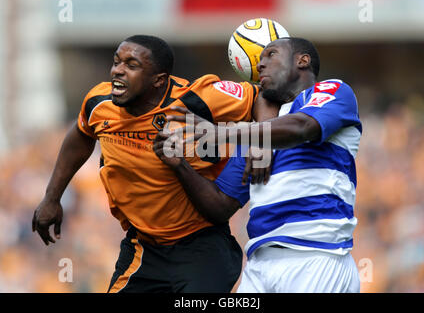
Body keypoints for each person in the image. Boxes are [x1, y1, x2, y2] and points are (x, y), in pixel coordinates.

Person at [32, 35, 279, 293]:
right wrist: (52, 197)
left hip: (202, 247)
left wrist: (261, 142)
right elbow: (81, 134)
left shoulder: (201, 98)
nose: (118, 70)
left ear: (159, 80)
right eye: (117, 62)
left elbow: (263, 98)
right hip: (143, 248)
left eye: (131, 65)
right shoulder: (98, 102)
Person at [153, 37, 362, 292]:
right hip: (259, 263)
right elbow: (221, 205)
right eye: (259, 59)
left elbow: (303, 127)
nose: (260, 65)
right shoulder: (256, 135)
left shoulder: (333, 90)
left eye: (271, 55)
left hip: (316, 256)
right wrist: (180, 165)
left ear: (302, 60)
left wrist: (223, 132)